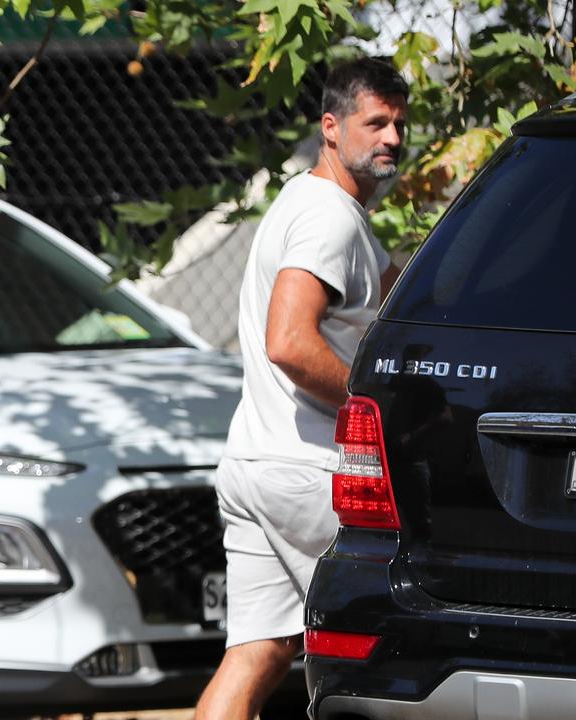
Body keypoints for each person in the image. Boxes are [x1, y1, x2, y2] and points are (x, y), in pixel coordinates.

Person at [194, 57, 407, 720]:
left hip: (255, 462)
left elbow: (362, 295)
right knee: (390, 639)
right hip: (309, 470)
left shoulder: (305, 202)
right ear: (331, 127)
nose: (392, 139)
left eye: (400, 124)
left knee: (259, 650)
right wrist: (363, 406)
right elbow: (289, 339)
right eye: (375, 122)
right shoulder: (332, 220)